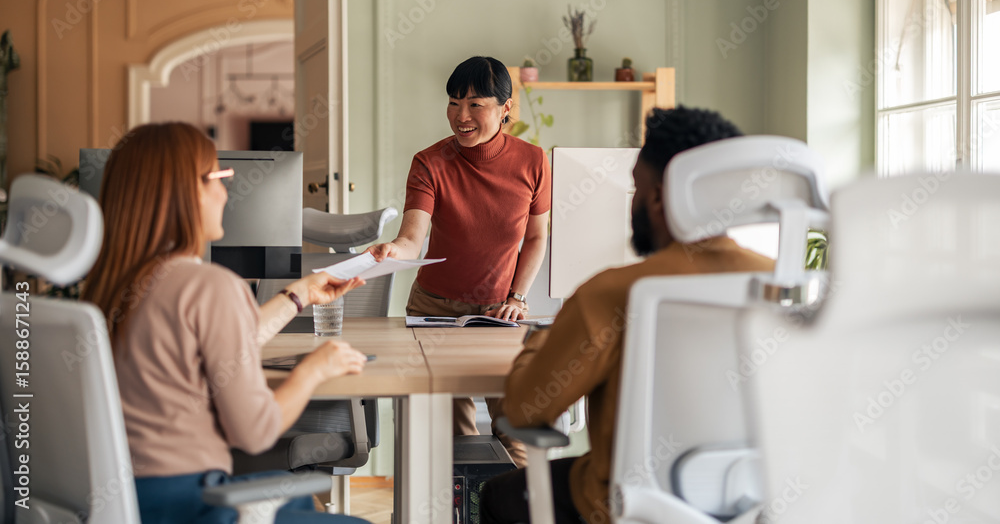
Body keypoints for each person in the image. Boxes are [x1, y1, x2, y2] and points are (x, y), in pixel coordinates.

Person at [478, 106, 775, 524]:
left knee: (499, 495)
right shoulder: (786, 288)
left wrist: (538, 340)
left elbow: (526, 410)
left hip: (623, 507)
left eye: (635, 188)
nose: (632, 202)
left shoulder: (613, 292)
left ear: (657, 195)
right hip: (756, 503)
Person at [83, 122, 372, 524]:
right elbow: (255, 431)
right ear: (183, 192)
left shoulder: (108, 289)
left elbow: (220, 342)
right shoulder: (210, 285)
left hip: (126, 505)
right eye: (217, 177)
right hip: (197, 507)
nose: (225, 191)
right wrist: (314, 370)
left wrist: (299, 294)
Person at [366, 56, 551, 466]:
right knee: (454, 439)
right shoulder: (430, 162)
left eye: (474, 105)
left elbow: (536, 237)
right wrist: (390, 251)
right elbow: (413, 237)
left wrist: (518, 296)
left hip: (499, 313)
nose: (460, 116)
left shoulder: (533, 162)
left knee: (514, 428)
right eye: (453, 102)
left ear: (506, 108)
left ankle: (519, 510)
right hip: (435, 309)